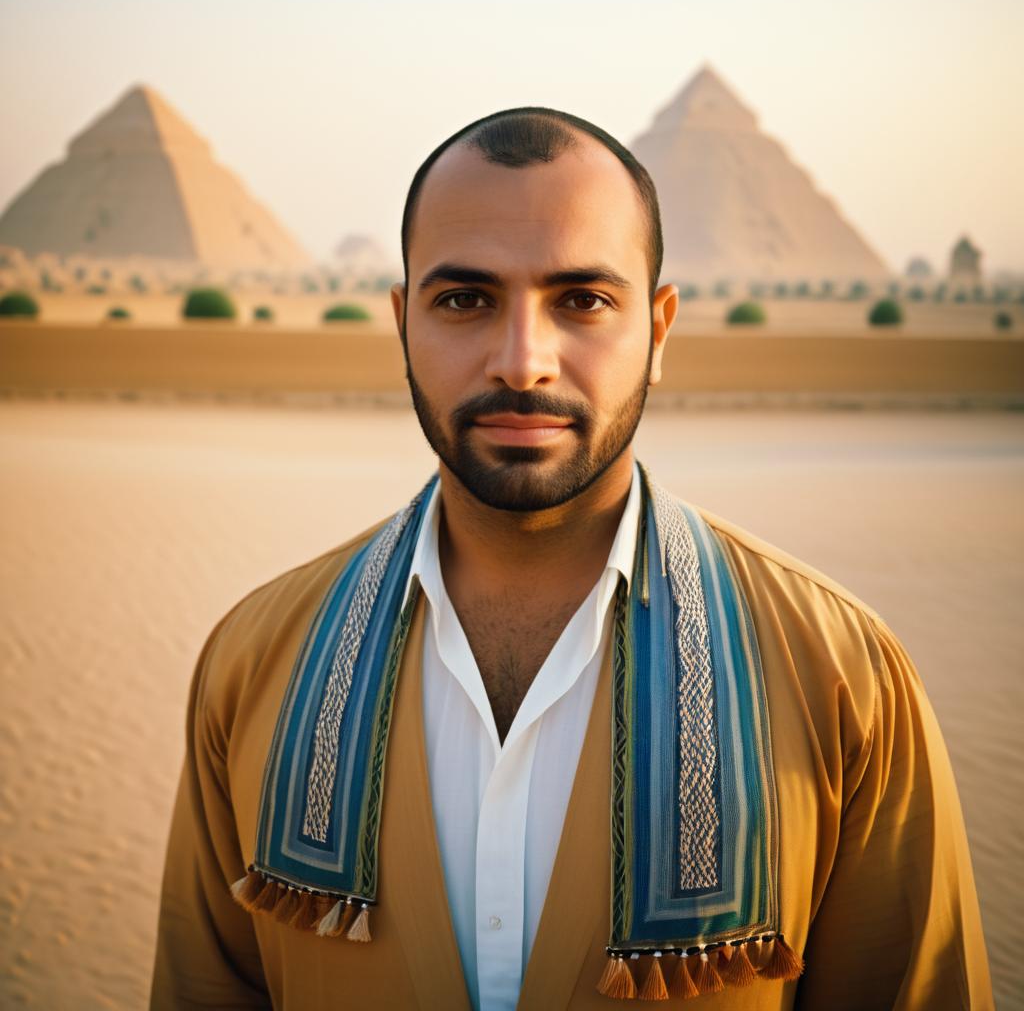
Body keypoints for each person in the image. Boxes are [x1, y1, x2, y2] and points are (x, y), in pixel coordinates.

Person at [150, 107, 993, 1011]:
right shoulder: (254, 664)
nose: (523, 362)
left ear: (659, 331)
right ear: (402, 324)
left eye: (582, 301)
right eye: (464, 300)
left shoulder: (842, 678)